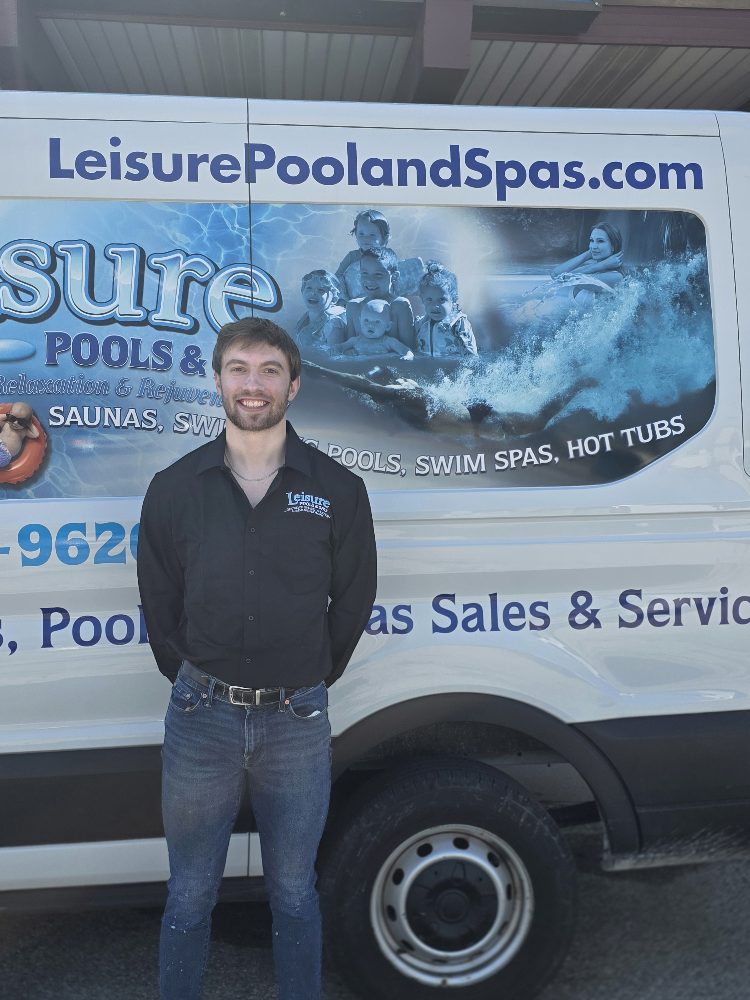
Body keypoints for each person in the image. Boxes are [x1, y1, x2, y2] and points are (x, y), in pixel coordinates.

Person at [137, 317, 377, 1000]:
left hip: (296, 720)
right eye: (239, 368)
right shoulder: (174, 488)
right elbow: (159, 596)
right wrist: (188, 676)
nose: (253, 383)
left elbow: (355, 598)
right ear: (217, 380)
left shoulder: (336, 490)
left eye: (270, 370)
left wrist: (308, 677)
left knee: (295, 894)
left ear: (293, 386)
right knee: (188, 896)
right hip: (200, 718)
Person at [345, 247, 415, 349]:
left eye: (378, 275)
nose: (369, 280)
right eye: (364, 273)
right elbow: (347, 349)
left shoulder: (400, 306)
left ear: (394, 277)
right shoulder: (353, 307)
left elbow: (410, 350)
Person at [415, 261, 478, 357]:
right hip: (428, 368)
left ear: (453, 299)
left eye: (441, 300)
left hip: (452, 368)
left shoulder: (458, 324)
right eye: (429, 300)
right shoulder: (422, 324)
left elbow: (471, 356)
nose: (435, 306)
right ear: (422, 300)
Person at [334, 208, 396, 300]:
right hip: (354, 302)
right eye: (361, 234)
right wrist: (343, 300)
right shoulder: (352, 257)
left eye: (372, 235)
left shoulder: (387, 258)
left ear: (384, 238)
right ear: (355, 234)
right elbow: (337, 279)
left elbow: (395, 282)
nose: (365, 239)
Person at [337, 299, 414, 359]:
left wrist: (408, 356)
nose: (370, 325)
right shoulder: (355, 341)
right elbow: (339, 348)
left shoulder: (388, 342)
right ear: (360, 321)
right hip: (360, 369)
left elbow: (406, 351)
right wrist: (347, 352)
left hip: (382, 370)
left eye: (377, 322)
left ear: (388, 326)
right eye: (366, 320)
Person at [294, 269, 347, 354]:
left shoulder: (333, 324)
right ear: (302, 291)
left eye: (321, 290)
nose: (313, 293)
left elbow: (335, 358)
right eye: (309, 288)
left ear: (334, 298)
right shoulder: (305, 317)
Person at [0, 401, 40, 468]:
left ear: (26, 423)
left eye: (21, 422)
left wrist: (30, 423)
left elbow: (36, 434)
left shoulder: (23, 431)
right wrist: (7, 415)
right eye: (12, 418)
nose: (15, 423)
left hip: (5, 455)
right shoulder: (6, 424)